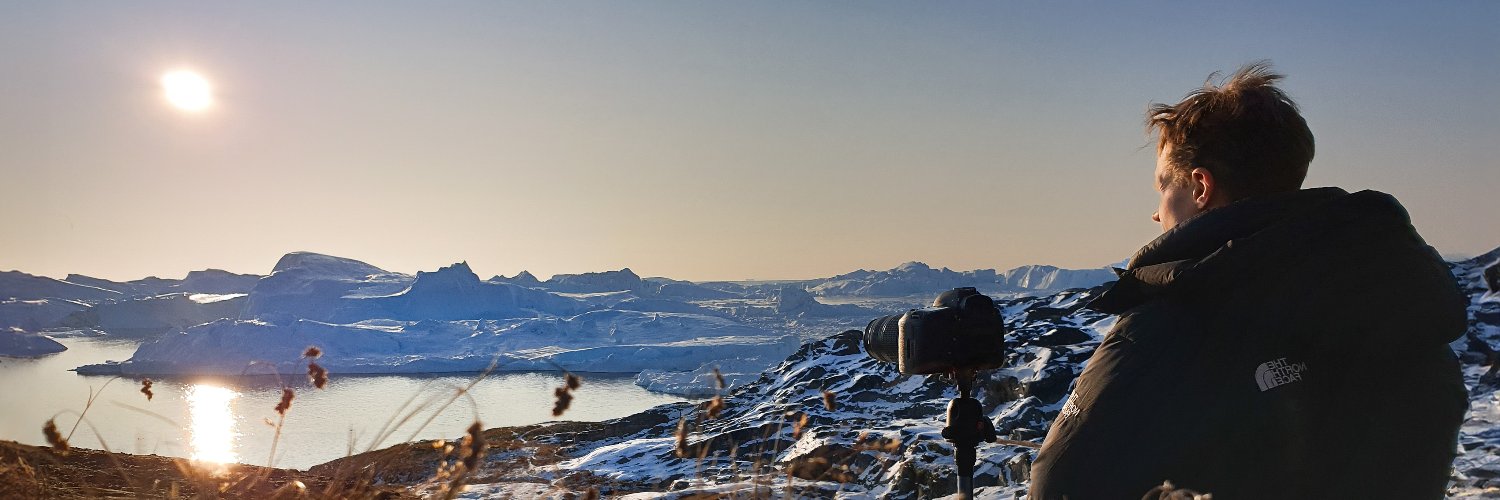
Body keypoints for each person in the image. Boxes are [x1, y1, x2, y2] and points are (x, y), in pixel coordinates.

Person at [1028, 63, 1469, 499]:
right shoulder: (1401, 313)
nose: (1156, 214)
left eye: (1163, 187)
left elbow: (1060, 486)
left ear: (1200, 187)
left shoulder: (1165, 334)